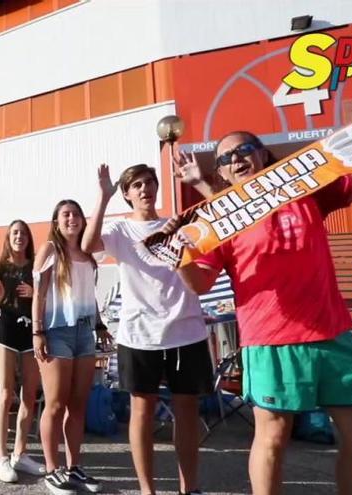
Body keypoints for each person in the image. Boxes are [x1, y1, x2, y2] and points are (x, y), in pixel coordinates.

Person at [166, 131, 352, 495]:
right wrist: (179, 256)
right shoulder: (219, 216)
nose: (236, 159)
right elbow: (199, 284)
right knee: (272, 439)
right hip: (271, 340)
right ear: (222, 175)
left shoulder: (302, 190)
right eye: (225, 158)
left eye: (244, 149)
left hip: (333, 333)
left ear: (263, 155)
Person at [81, 164, 211, 495]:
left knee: (186, 410)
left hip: (187, 331)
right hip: (139, 335)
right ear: (127, 193)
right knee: (141, 411)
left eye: (149, 183)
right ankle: (146, 490)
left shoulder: (180, 223)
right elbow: (87, 245)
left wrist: (201, 183)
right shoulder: (120, 231)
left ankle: (190, 487)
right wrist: (104, 197)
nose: (144, 189)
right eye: (136, 185)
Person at [32, 200, 102, 494]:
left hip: (85, 332)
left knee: (78, 404)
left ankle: (73, 467)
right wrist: (37, 332)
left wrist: (100, 324)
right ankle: (51, 470)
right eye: (66, 214)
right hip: (56, 330)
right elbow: (40, 293)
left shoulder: (88, 253)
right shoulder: (50, 249)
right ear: (57, 221)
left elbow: (88, 294)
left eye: (76, 214)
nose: (72, 218)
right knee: (56, 403)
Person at [0, 219, 45, 482]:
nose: (19, 237)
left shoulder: (36, 268)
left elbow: (48, 300)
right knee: (6, 393)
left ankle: (20, 454)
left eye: (23, 233)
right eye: (14, 233)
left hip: (31, 334)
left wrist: (36, 292)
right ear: (8, 238)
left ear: (29, 239)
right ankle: (2, 456)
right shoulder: (0, 268)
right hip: (7, 333)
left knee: (29, 395)